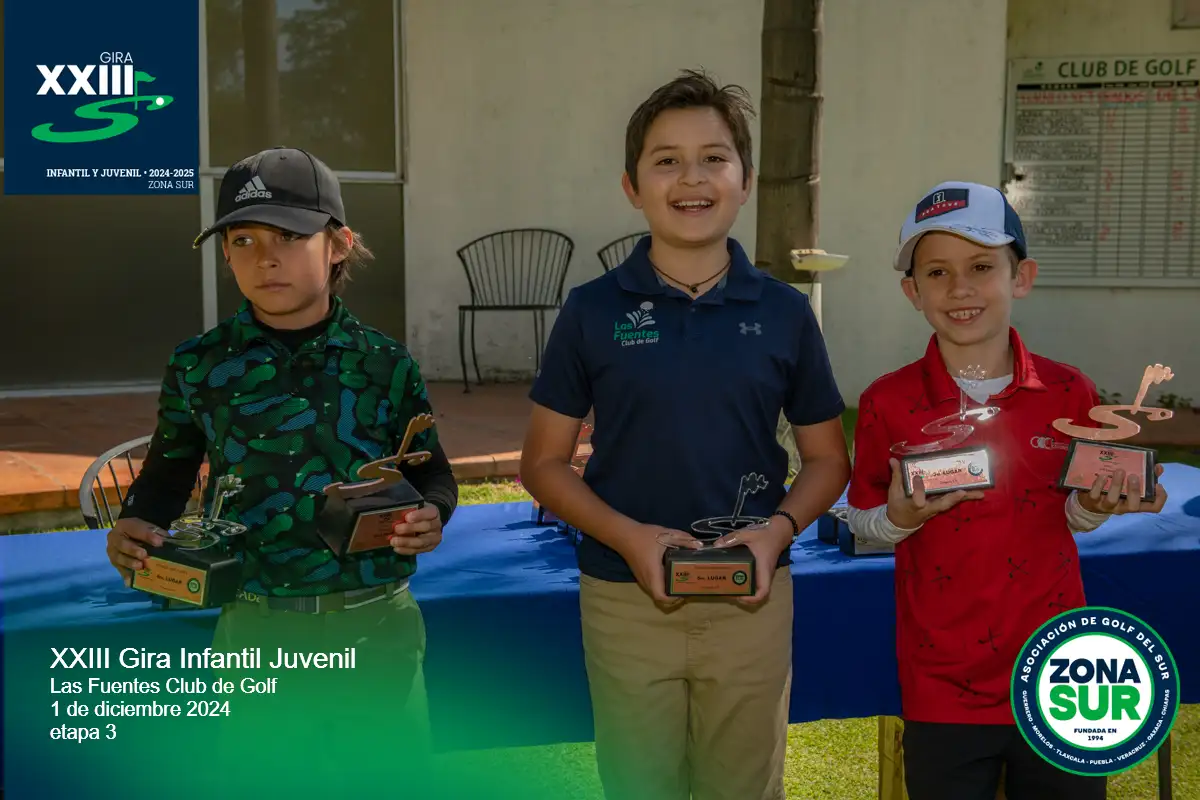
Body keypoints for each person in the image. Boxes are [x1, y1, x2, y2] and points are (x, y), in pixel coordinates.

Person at [519, 70, 851, 800]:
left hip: (751, 599)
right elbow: (542, 463)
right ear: (631, 187)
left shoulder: (785, 313)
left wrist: (775, 533)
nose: (692, 178)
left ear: (745, 181)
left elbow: (829, 460)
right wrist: (629, 538)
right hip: (625, 600)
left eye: (714, 158)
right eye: (666, 160)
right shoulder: (591, 311)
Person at [104, 147, 458, 793]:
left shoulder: (386, 364)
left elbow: (431, 471)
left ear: (339, 244)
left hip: (374, 626)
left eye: (290, 237)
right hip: (257, 628)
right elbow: (167, 474)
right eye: (243, 240)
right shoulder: (199, 365)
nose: (265, 258)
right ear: (225, 254)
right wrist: (135, 523)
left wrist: (433, 514)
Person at [846, 180, 1168, 800]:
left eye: (981, 267)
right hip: (942, 680)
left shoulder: (1070, 391)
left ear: (1021, 277)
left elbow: (1069, 511)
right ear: (913, 293)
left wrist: (1092, 506)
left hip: (1063, 673)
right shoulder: (887, 401)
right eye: (936, 272)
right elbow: (861, 515)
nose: (959, 288)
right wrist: (899, 517)